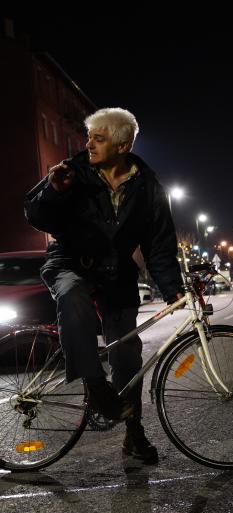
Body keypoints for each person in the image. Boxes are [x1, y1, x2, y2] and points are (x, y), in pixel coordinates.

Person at [24, 108, 183, 463]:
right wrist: (54, 191)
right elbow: (35, 214)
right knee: (72, 296)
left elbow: (159, 243)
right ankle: (96, 387)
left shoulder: (147, 187)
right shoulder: (72, 171)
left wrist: (172, 288)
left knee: (127, 353)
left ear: (123, 145)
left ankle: (133, 432)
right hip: (70, 262)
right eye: (88, 136)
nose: (89, 144)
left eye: (99, 138)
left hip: (117, 273)